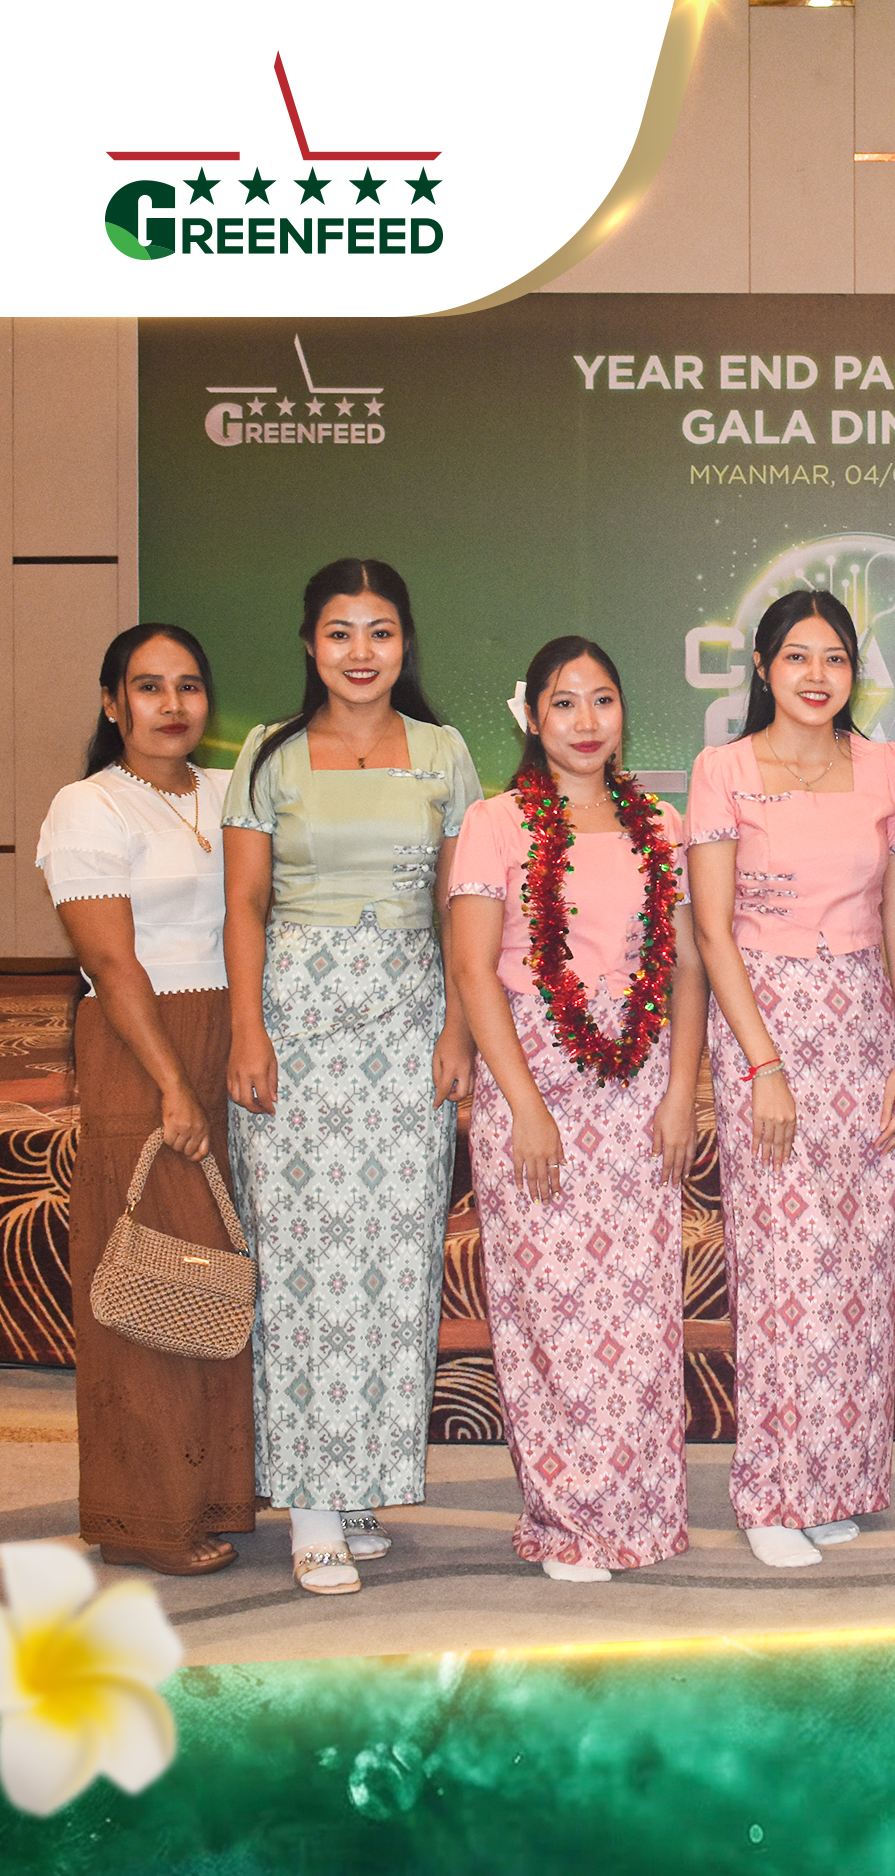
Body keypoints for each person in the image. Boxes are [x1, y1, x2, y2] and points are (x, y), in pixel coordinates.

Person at [223, 558, 481, 1595]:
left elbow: (464, 908)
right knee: (301, 1263)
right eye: (339, 632)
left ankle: (360, 1476)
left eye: (379, 631)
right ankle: (311, 1504)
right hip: (296, 1020)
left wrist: (457, 1030)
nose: (360, 652)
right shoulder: (267, 754)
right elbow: (244, 905)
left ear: (404, 642)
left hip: (409, 1022)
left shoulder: (444, 752)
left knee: (391, 1262)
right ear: (309, 644)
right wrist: (248, 1030)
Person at [450, 638, 705, 1581]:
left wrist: (680, 1093)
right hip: (535, 1079)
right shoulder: (496, 823)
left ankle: (640, 1512)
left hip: (639, 1086)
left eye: (603, 700)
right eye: (564, 702)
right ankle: (567, 1521)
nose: (586, 721)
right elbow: (474, 968)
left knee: (637, 1312)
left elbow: (686, 967)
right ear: (533, 716)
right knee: (551, 1309)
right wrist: (523, 1105)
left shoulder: (661, 825)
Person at [687, 590, 895, 1569]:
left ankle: (833, 1478)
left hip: (864, 1021)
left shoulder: (884, 765)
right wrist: (764, 1064)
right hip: (766, 1019)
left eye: (834, 657)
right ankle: (771, 1492)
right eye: (796, 656)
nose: (816, 675)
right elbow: (711, 930)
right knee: (782, 1261)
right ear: (761, 666)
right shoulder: (724, 769)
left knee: (856, 1263)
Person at [36, 625, 253, 1576]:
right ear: (112, 702)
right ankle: (144, 1519)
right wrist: (172, 1083)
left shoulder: (228, 792)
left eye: (189, 686)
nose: (172, 705)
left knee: (218, 1276)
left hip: (229, 1042)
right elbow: (111, 962)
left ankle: (216, 1495)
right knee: (149, 1276)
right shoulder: (87, 806)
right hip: (143, 1049)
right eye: (149, 686)